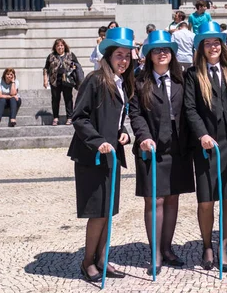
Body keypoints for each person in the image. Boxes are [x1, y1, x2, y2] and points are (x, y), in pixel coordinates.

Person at [184, 21, 227, 273]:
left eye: (216, 42)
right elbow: (190, 109)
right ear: (200, 47)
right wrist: (201, 134)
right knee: (206, 200)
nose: (212, 47)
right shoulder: (193, 75)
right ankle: (207, 245)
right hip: (207, 144)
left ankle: (223, 245)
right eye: (207, 43)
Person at [67, 27, 136, 281]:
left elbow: (115, 118)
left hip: (111, 156)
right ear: (108, 56)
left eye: (128, 56)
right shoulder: (95, 79)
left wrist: (123, 133)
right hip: (92, 156)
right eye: (119, 55)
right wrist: (97, 142)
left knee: (109, 211)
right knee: (97, 212)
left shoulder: (121, 84)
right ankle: (88, 263)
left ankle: (102, 259)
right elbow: (79, 117)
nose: (124, 61)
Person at [129, 30, 195, 275]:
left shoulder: (182, 79)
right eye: (157, 50)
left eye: (166, 49)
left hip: (178, 148)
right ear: (149, 55)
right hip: (152, 147)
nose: (162, 53)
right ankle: (155, 251)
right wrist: (144, 137)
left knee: (172, 198)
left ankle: (167, 249)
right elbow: (135, 114)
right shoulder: (139, 82)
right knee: (154, 199)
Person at [43, 38, 78, 126]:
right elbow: (46, 68)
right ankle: (55, 117)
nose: (60, 47)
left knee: (68, 98)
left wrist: (73, 70)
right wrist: (45, 79)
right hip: (55, 80)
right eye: (58, 46)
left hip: (67, 80)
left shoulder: (70, 55)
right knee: (55, 99)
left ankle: (70, 117)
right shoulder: (51, 56)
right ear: (55, 47)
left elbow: (77, 66)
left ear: (64, 46)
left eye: (61, 45)